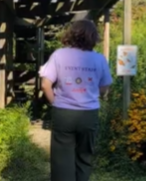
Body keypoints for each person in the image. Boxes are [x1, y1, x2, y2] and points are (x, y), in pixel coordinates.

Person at [39, 19, 112, 181]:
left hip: (64, 113)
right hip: (89, 114)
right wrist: (91, 95)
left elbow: (45, 85)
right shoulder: (99, 59)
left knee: (61, 159)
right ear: (93, 37)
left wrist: (55, 103)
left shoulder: (59, 55)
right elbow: (105, 86)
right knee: (84, 157)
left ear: (71, 34)